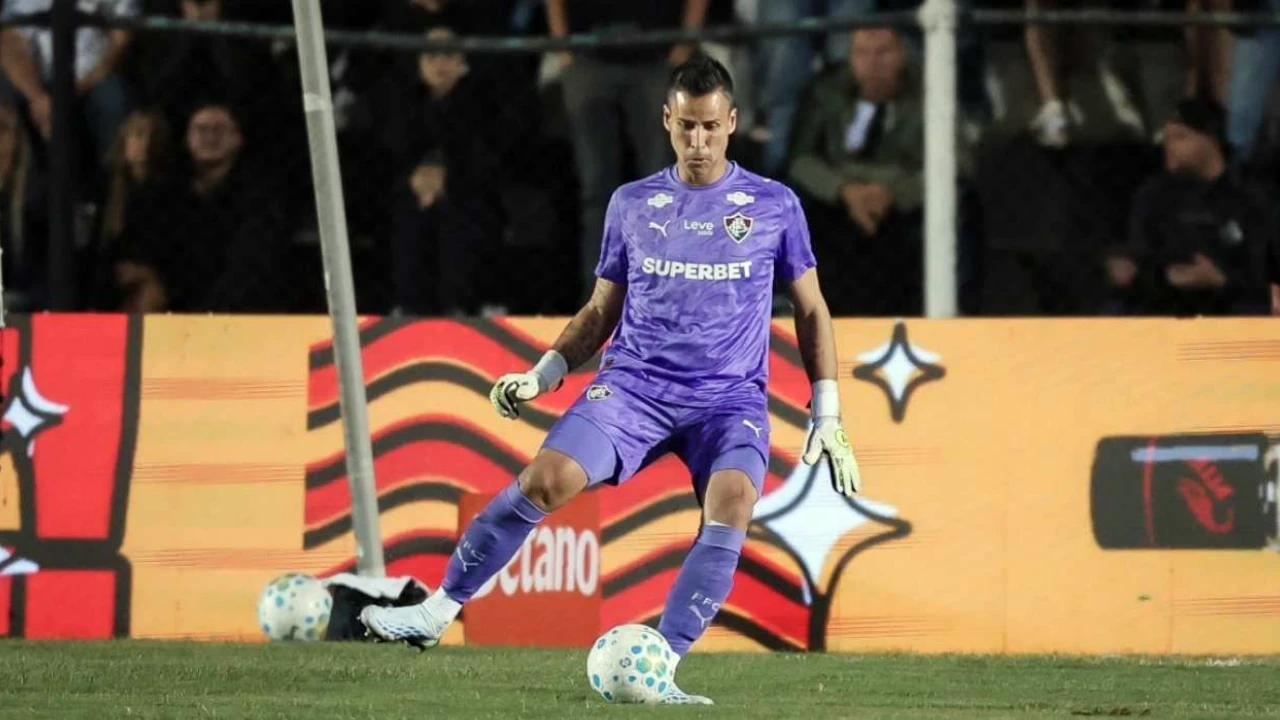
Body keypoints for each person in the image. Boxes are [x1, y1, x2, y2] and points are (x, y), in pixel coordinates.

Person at [359, 54, 862, 704]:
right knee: (543, 481)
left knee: (734, 500)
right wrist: (545, 375)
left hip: (726, 401)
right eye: (686, 127)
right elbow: (601, 311)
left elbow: (812, 308)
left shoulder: (773, 205)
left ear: (733, 122)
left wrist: (828, 412)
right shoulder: (632, 204)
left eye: (711, 127)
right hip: (633, 392)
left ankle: (662, 664)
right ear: (666, 121)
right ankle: (434, 613)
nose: (699, 142)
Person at [1106, 98, 1274, 316]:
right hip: (1166, 304)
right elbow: (1140, 251)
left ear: (1211, 139)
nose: (1169, 146)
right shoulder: (1154, 193)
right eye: (1166, 139)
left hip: (1235, 305)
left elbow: (1265, 267)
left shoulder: (1251, 194)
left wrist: (1221, 279)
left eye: (1179, 137)